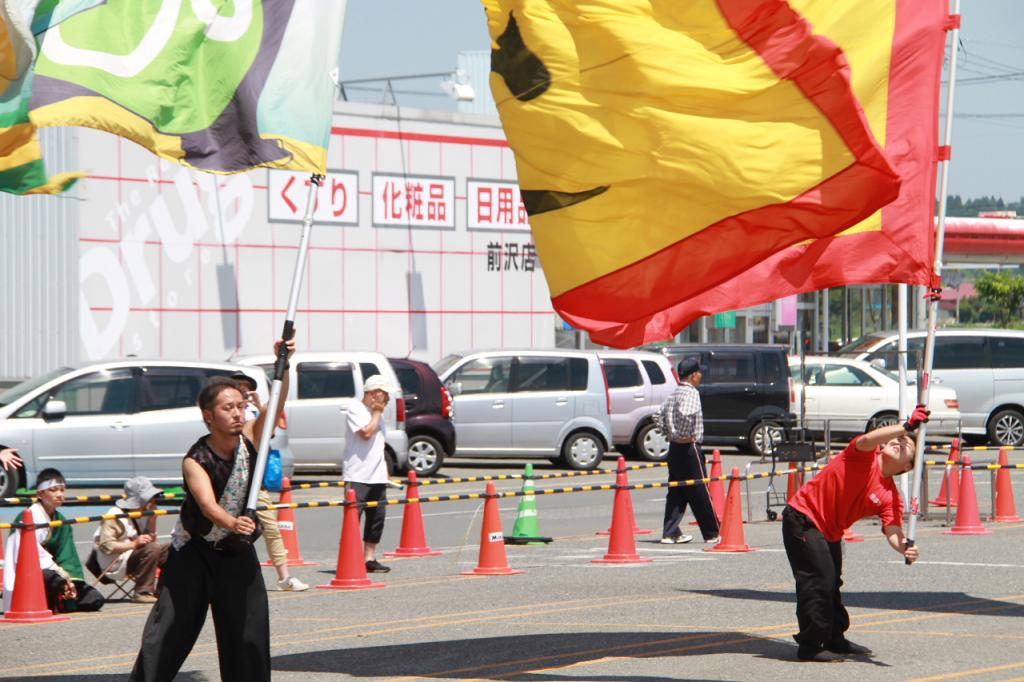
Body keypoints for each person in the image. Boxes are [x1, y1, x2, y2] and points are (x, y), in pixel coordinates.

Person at [130, 337, 295, 682]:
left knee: (247, 633)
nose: (237, 413)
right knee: (169, 631)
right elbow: (207, 505)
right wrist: (233, 522)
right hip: (194, 553)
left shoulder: (251, 438)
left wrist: (285, 361)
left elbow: (277, 400)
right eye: (228, 407)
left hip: (236, 551)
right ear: (208, 416)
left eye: (241, 406)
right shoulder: (195, 459)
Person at [782, 405, 928, 662]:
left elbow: (893, 530)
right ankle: (810, 645)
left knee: (832, 583)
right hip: (803, 517)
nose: (899, 441)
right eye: (897, 439)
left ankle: (834, 638)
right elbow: (869, 438)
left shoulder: (890, 496)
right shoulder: (863, 454)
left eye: (907, 445)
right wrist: (906, 427)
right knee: (818, 580)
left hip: (830, 530)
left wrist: (904, 546)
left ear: (907, 466)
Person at [230, 371, 309, 592]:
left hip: (254, 484)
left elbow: (272, 423)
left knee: (271, 528)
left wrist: (260, 406)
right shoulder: (225, 417)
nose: (243, 393)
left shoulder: (254, 414)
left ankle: (284, 577)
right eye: (238, 388)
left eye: (246, 389)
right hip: (229, 484)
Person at [3, 468, 104, 613]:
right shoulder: (29, 516)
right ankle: (58, 596)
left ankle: (63, 593)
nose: (59, 494)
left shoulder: (60, 519)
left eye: (62, 490)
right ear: (40, 494)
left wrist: (70, 580)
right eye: (53, 490)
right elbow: (29, 553)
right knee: (55, 580)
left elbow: (67, 554)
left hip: (58, 573)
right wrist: (58, 572)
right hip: (33, 572)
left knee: (94, 598)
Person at [652, 357, 721, 545]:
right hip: (689, 446)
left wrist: (669, 433)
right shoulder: (691, 393)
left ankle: (670, 533)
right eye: (699, 373)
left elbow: (657, 415)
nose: (701, 376)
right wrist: (685, 434)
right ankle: (713, 532)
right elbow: (685, 413)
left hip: (674, 448)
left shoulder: (674, 392)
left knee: (676, 491)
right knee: (700, 490)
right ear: (693, 375)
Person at [344, 374, 397, 573]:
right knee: (353, 518)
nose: (388, 399)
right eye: (385, 394)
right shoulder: (355, 408)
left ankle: (369, 558)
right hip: (357, 475)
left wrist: (385, 471)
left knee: (377, 518)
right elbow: (366, 433)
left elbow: (379, 444)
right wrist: (376, 413)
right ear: (374, 393)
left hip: (377, 475)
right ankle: (349, 557)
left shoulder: (378, 414)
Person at [92, 476, 170, 603]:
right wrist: (134, 544)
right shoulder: (115, 514)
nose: (153, 500)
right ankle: (142, 592)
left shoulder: (144, 512)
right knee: (152, 548)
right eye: (150, 497)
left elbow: (150, 542)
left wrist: (152, 519)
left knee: (171, 549)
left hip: (137, 555)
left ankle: (163, 590)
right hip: (115, 562)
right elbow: (106, 545)